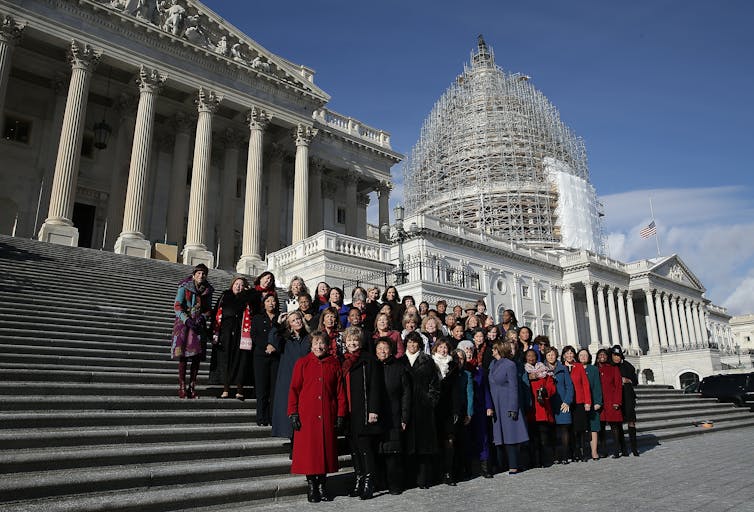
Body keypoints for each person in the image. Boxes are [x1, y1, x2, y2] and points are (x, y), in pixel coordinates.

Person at [287, 331, 346, 503]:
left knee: (325, 451)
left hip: (328, 413)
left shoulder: (334, 364)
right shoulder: (302, 363)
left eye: (322, 344)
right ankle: (312, 485)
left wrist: (341, 414)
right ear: (311, 345)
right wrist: (293, 412)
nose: (319, 347)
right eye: (316, 343)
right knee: (310, 453)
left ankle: (322, 485)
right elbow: (294, 389)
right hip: (307, 416)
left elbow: (340, 393)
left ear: (327, 346)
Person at [342, 326, 383, 500]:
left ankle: (368, 481)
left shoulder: (368, 360)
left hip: (364, 410)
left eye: (355, 340)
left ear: (360, 342)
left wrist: (373, 409)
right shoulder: (343, 361)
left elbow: (375, 386)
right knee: (354, 449)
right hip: (348, 412)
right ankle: (358, 479)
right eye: (349, 340)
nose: (352, 343)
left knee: (365, 448)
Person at [209, 276, 261, 399]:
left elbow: (256, 300)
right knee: (225, 360)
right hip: (225, 334)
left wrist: (248, 291)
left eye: (242, 285)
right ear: (232, 285)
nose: (238, 286)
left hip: (241, 333)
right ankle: (226, 388)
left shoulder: (247, 299)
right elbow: (215, 314)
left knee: (241, 360)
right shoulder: (224, 297)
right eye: (236, 284)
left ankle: (239, 388)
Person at [403, 331, 440, 489]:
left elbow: (435, 384)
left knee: (424, 447)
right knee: (408, 446)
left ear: (419, 344)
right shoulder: (401, 360)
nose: (412, 345)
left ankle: (424, 479)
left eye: (415, 342)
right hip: (406, 408)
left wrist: (430, 400)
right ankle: (410, 478)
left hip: (423, 408)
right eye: (410, 342)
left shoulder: (427, 360)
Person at [171, 264, 214, 399]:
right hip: (185, 324)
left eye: (204, 274)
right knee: (183, 356)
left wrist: (203, 316)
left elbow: (208, 309)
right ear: (194, 274)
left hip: (199, 325)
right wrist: (186, 319)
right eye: (199, 273)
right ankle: (182, 386)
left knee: (196, 358)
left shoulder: (208, 290)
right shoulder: (185, 286)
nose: (201, 276)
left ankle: (192, 386)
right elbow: (177, 305)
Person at [375, 337, 411, 495]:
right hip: (376, 416)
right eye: (380, 348)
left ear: (391, 350)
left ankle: (395, 484)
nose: (382, 351)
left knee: (393, 453)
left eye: (385, 348)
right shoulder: (372, 366)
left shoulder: (399, 368)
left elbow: (406, 394)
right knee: (378, 451)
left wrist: (404, 416)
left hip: (395, 414)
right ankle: (380, 483)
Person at [488, 341, 529, 475]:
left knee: (511, 435)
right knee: (499, 436)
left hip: (507, 403)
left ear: (500, 350)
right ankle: (502, 464)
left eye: (494, 349)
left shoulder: (509, 365)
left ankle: (514, 464)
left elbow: (514, 387)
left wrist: (513, 407)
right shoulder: (492, 364)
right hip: (496, 403)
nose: (492, 351)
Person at [271, 311, 311, 439]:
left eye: (298, 319)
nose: (297, 321)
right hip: (288, 378)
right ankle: (292, 441)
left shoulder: (309, 337)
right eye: (293, 320)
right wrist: (277, 324)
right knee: (290, 410)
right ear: (290, 325)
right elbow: (273, 340)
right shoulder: (285, 339)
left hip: (306, 378)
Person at [432, 339, 463, 486]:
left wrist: (457, 409)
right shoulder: (430, 364)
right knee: (435, 440)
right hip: (434, 408)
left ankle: (448, 472)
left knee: (449, 441)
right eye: (441, 347)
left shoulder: (453, 366)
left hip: (449, 408)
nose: (443, 350)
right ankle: (436, 472)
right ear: (435, 349)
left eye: (445, 348)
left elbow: (456, 390)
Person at [462, 339, 494, 478]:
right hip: (465, 409)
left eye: (470, 350)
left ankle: (485, 467)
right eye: (466, 350)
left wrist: (489, 406)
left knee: (483, 437)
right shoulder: (460, 370)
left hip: (480, 407)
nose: (468, 353)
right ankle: (468, 468)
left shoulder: (479, 370)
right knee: (467, 438)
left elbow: (485, 389)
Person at [251, 294, 282, 424]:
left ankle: (272, 416)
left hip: (276, 356)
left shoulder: (281, 317)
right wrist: (267, 346)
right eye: (268, 301)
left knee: (274, 388)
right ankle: (261, 416)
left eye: (273, 301)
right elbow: (254, 335)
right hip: (260, 355)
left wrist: (274, 346)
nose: (271, 303)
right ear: (264, 304)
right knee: (261, 388)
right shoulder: (257, 318)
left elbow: (283, 334)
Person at [522, 349, 556, 468]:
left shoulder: (544, 371)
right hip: (531, 409)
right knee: (532, 438)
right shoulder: (524, 372)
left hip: (542, 408)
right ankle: (533, 461)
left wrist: (546, 392)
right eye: (528, 356)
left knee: (543, 437)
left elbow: (551, 386)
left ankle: (543, 460)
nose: (531, 358)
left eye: (533, 356)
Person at [544, 346, 574, 464]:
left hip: (562, 403)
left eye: (553, 354)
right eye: (548, 355)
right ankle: (556, 455)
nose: (551, 357)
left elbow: (569, 386)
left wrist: (567, 401)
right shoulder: (542, 368)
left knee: (564, 429)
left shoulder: (563, 368)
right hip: (550, 403)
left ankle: (565, 455)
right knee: (553, 431)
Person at [561, 345, 591, 462]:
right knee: (570, 429)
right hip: (567, 403)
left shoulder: (578, 366)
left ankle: (582, 452)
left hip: (579, 401)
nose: (569, 355)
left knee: (581, 429)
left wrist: (587, 401)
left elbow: (585, 384)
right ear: (563, 355)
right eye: (567, 353)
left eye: (571, 353)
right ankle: (573, 452)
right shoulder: (561, 367)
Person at [612, 345, 640, 456]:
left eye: (618, 355)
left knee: (631, 422)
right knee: (618, 423)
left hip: (628, 396)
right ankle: (623, 448)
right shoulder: (611, 366)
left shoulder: (628, 366)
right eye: (614, 355)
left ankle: (634, 448)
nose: (616, 358)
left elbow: (635, 381)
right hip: (617, 397)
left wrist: (627, 380)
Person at [596, 348, 623, 458]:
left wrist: (617, 401)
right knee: (601, 427)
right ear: (597, 357)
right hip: (600, 402)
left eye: (604, 354)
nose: (602, 356)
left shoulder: (613, 368)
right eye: (600, 354)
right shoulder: (594, 369)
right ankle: (603, 450)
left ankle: (616, 450)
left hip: (611, 401)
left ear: (607, 357)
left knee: (614, 426)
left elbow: (618, 386)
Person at [578, 348, 603, 461]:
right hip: (580, 403)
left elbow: (597, 386)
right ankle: (583, 451)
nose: (583, 357)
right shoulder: (575, 368)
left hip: (592, 402)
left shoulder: (593, 369)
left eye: (585, 355)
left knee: (593, 428)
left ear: (589, 357)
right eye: (581, 355)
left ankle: (594, 451)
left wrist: (598, 402)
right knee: (582, 428)